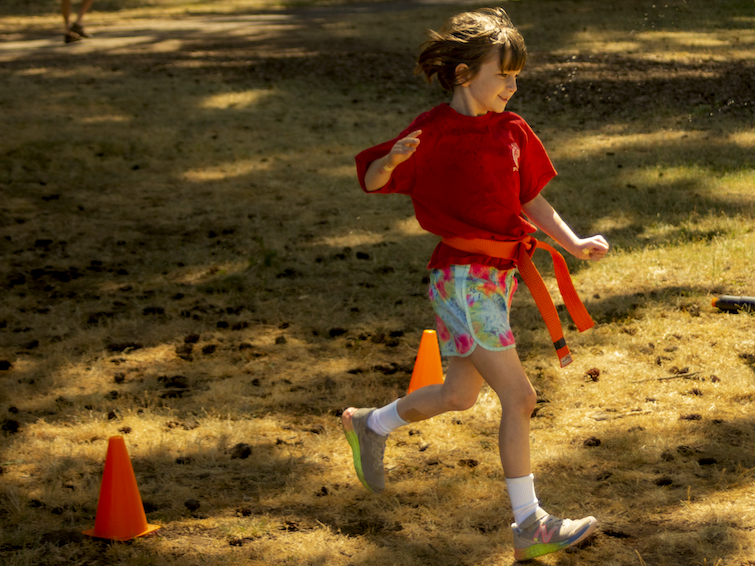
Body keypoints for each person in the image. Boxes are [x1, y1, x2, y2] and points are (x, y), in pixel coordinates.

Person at [342, 7, 609, 562]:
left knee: (460, 396)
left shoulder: (512, 131)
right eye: (502, 74)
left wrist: (572, 241)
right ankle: (528, 523)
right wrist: (391, 160)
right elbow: (372, 179)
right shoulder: (432, 132)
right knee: (520, 396)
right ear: (464, 74)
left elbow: (531, 199)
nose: (512, 86)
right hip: (462, 278)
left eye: (516, 76)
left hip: (497, 277)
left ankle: (371, 424)